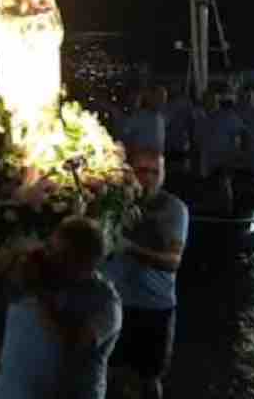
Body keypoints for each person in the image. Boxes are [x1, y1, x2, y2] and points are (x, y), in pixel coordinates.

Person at [0, 215, 122, 399]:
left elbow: (71, 344)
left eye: (60, 253)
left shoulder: (106, 302)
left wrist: (39, 294)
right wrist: (11, 263)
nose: (49, 256)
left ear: (86, 260)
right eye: (50, 247)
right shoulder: (39, 273)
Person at [102, 148, 189, 399]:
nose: (148, 177)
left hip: (154, 307)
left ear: (163, 175)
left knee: (149, 380)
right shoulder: (110, 201)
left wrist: (129, 248)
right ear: (129, 173)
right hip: (114, 302)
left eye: (155, 172)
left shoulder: (174, 209)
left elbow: (173, 262)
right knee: (110, 375)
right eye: (142, 171)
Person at [117, 87, 166, 154]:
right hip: (140, 158)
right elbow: (124, 134)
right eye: (159, 98)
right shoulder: (140, 116)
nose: (161, 102)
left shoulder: (160, 117)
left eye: (163, 99)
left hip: (153, 159)